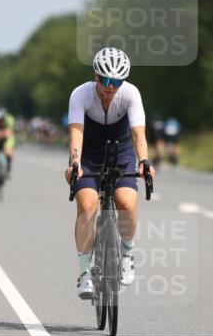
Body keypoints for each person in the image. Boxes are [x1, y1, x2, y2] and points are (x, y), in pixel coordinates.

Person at [64, 47, 154, 300]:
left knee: (126, 201)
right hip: (90, 150)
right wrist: (74, 162)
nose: (111, 86)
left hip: (121, 149)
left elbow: (138, 133)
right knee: (87, 204)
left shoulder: (131, 94)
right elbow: (76, 132)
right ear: (95, 76)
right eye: (105, 80)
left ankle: (126, 253)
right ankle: (84, 273)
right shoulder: (80, 95)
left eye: (116, 81)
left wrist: (144, 161)